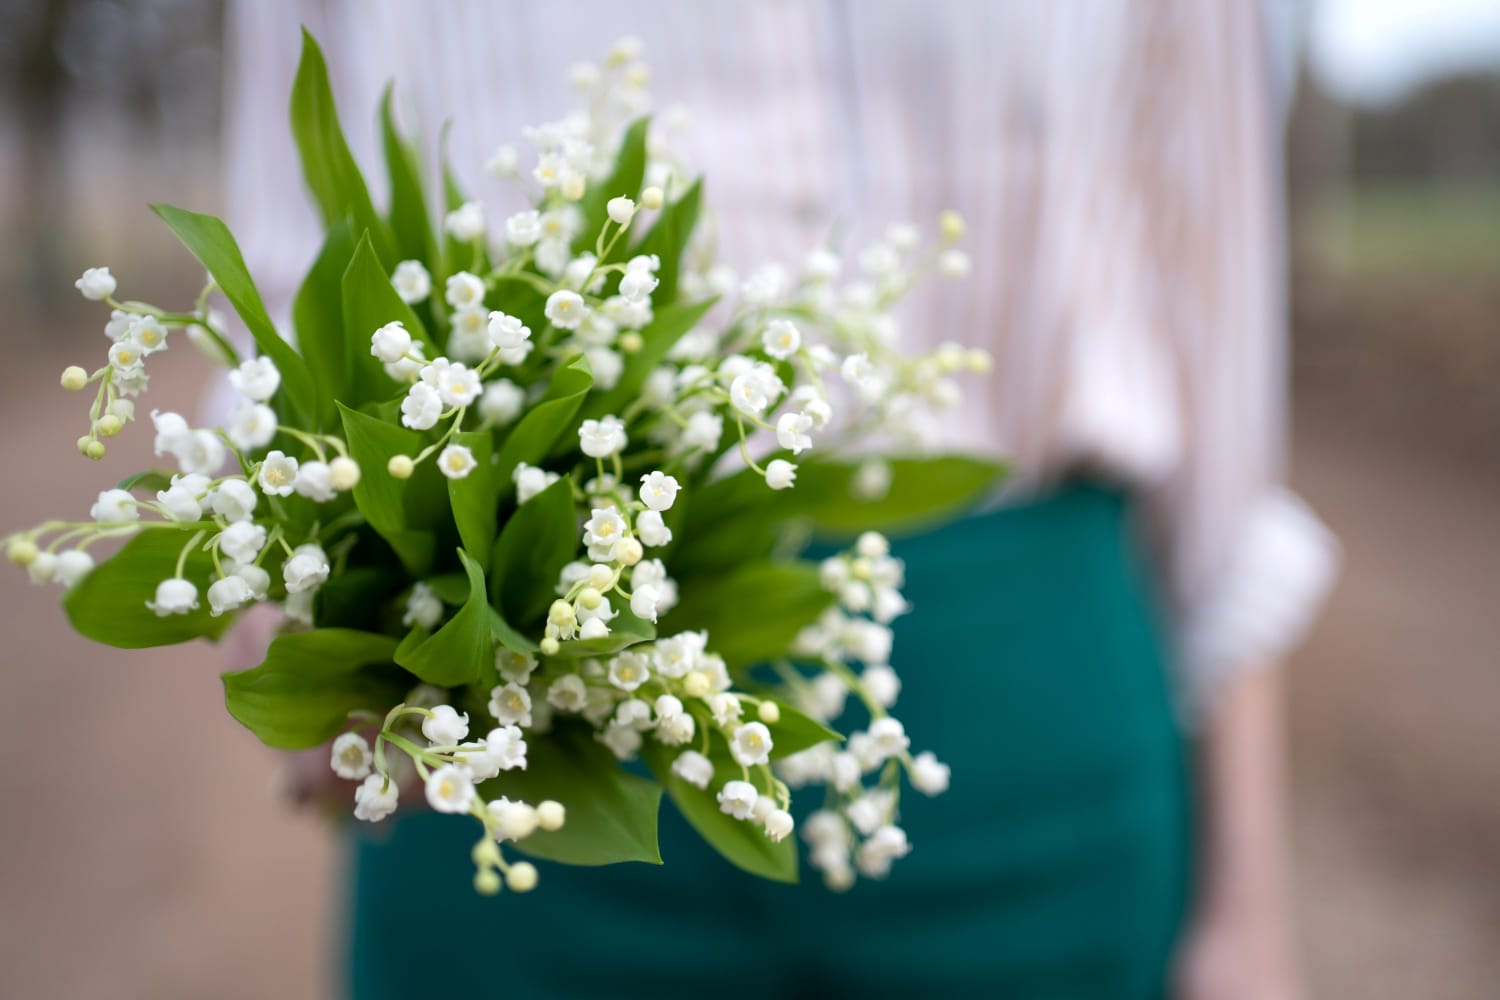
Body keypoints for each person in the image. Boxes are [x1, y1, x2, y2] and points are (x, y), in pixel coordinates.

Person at [223, 2, 1337, 997]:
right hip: (523, 719)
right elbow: (291, 256)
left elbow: (1212, 299)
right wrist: (294, 576)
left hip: (1028, 711)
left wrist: (1252, 914)